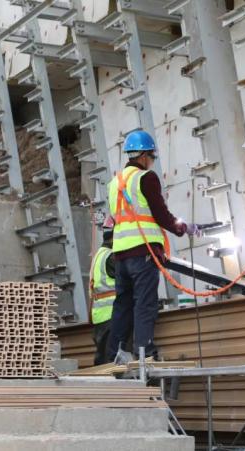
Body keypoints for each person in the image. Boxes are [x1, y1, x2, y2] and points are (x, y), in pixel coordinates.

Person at [106, 129, 200, 363]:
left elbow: (118, 219)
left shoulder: (114, 183)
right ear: (144, 156)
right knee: (145, 302)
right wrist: (182, 227)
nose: (152, 162)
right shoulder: (145, 178)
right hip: (142, 251)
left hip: (120, 254)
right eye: (152, 157)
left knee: (123, 304)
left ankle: (113, 353)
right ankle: (143, 350)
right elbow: (160, 214)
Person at [89, 227, 116, 366]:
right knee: (110, 358)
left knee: (103, 357)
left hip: (99, 314)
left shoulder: (99, 255)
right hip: (111, 312)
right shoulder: (111, 257)